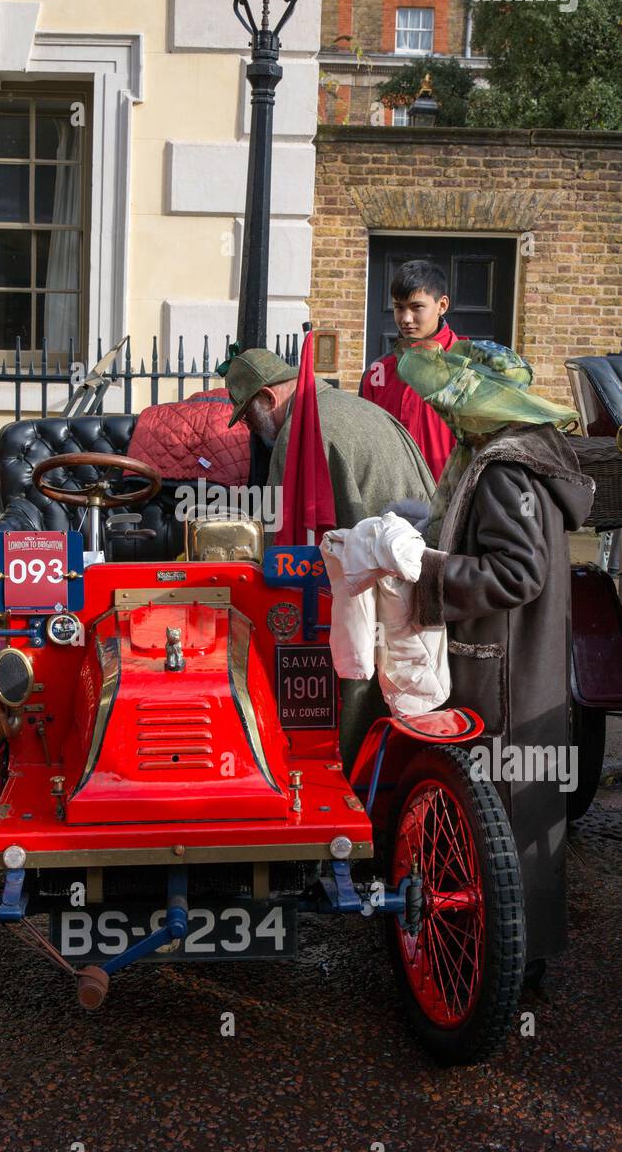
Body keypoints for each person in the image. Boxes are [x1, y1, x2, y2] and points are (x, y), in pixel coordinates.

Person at [397, 338, 595, 965]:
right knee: (518, 815)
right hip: (520, 665)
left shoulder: (504, 469)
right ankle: (520, 955)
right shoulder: (520, 458)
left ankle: (500, 963)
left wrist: (426, 573)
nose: (446, 414)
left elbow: (516, 574)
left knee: (499, 820)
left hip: (501, 671)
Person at [225, 346, 435, 771]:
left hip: (374, 588)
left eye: (248, 416)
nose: (251, 428)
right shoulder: (357, 408)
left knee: (345, 672)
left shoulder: (300, 433)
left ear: (268, 398)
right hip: (418, 568)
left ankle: (342, 775)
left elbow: (280, 552)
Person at [360, 259, 463, 481]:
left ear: (442, 305)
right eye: (399, 307)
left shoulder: (469, 368)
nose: (406, 319)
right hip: (390, 503)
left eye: (417, 307)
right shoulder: (376, 374)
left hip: (453, 501)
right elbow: (365, 443)